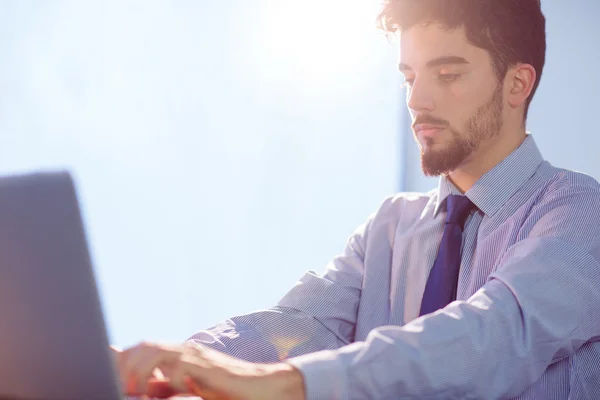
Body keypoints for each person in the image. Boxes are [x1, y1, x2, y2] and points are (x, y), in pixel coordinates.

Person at [113, 0, 600, 398]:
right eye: (410, 77)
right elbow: (299, 329)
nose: (417, 99)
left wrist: (282, 384)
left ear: (518, 83)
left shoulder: (576, 211)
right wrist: (158, 369)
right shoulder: (389, 227)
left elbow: (493, 334)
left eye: (447, 75)